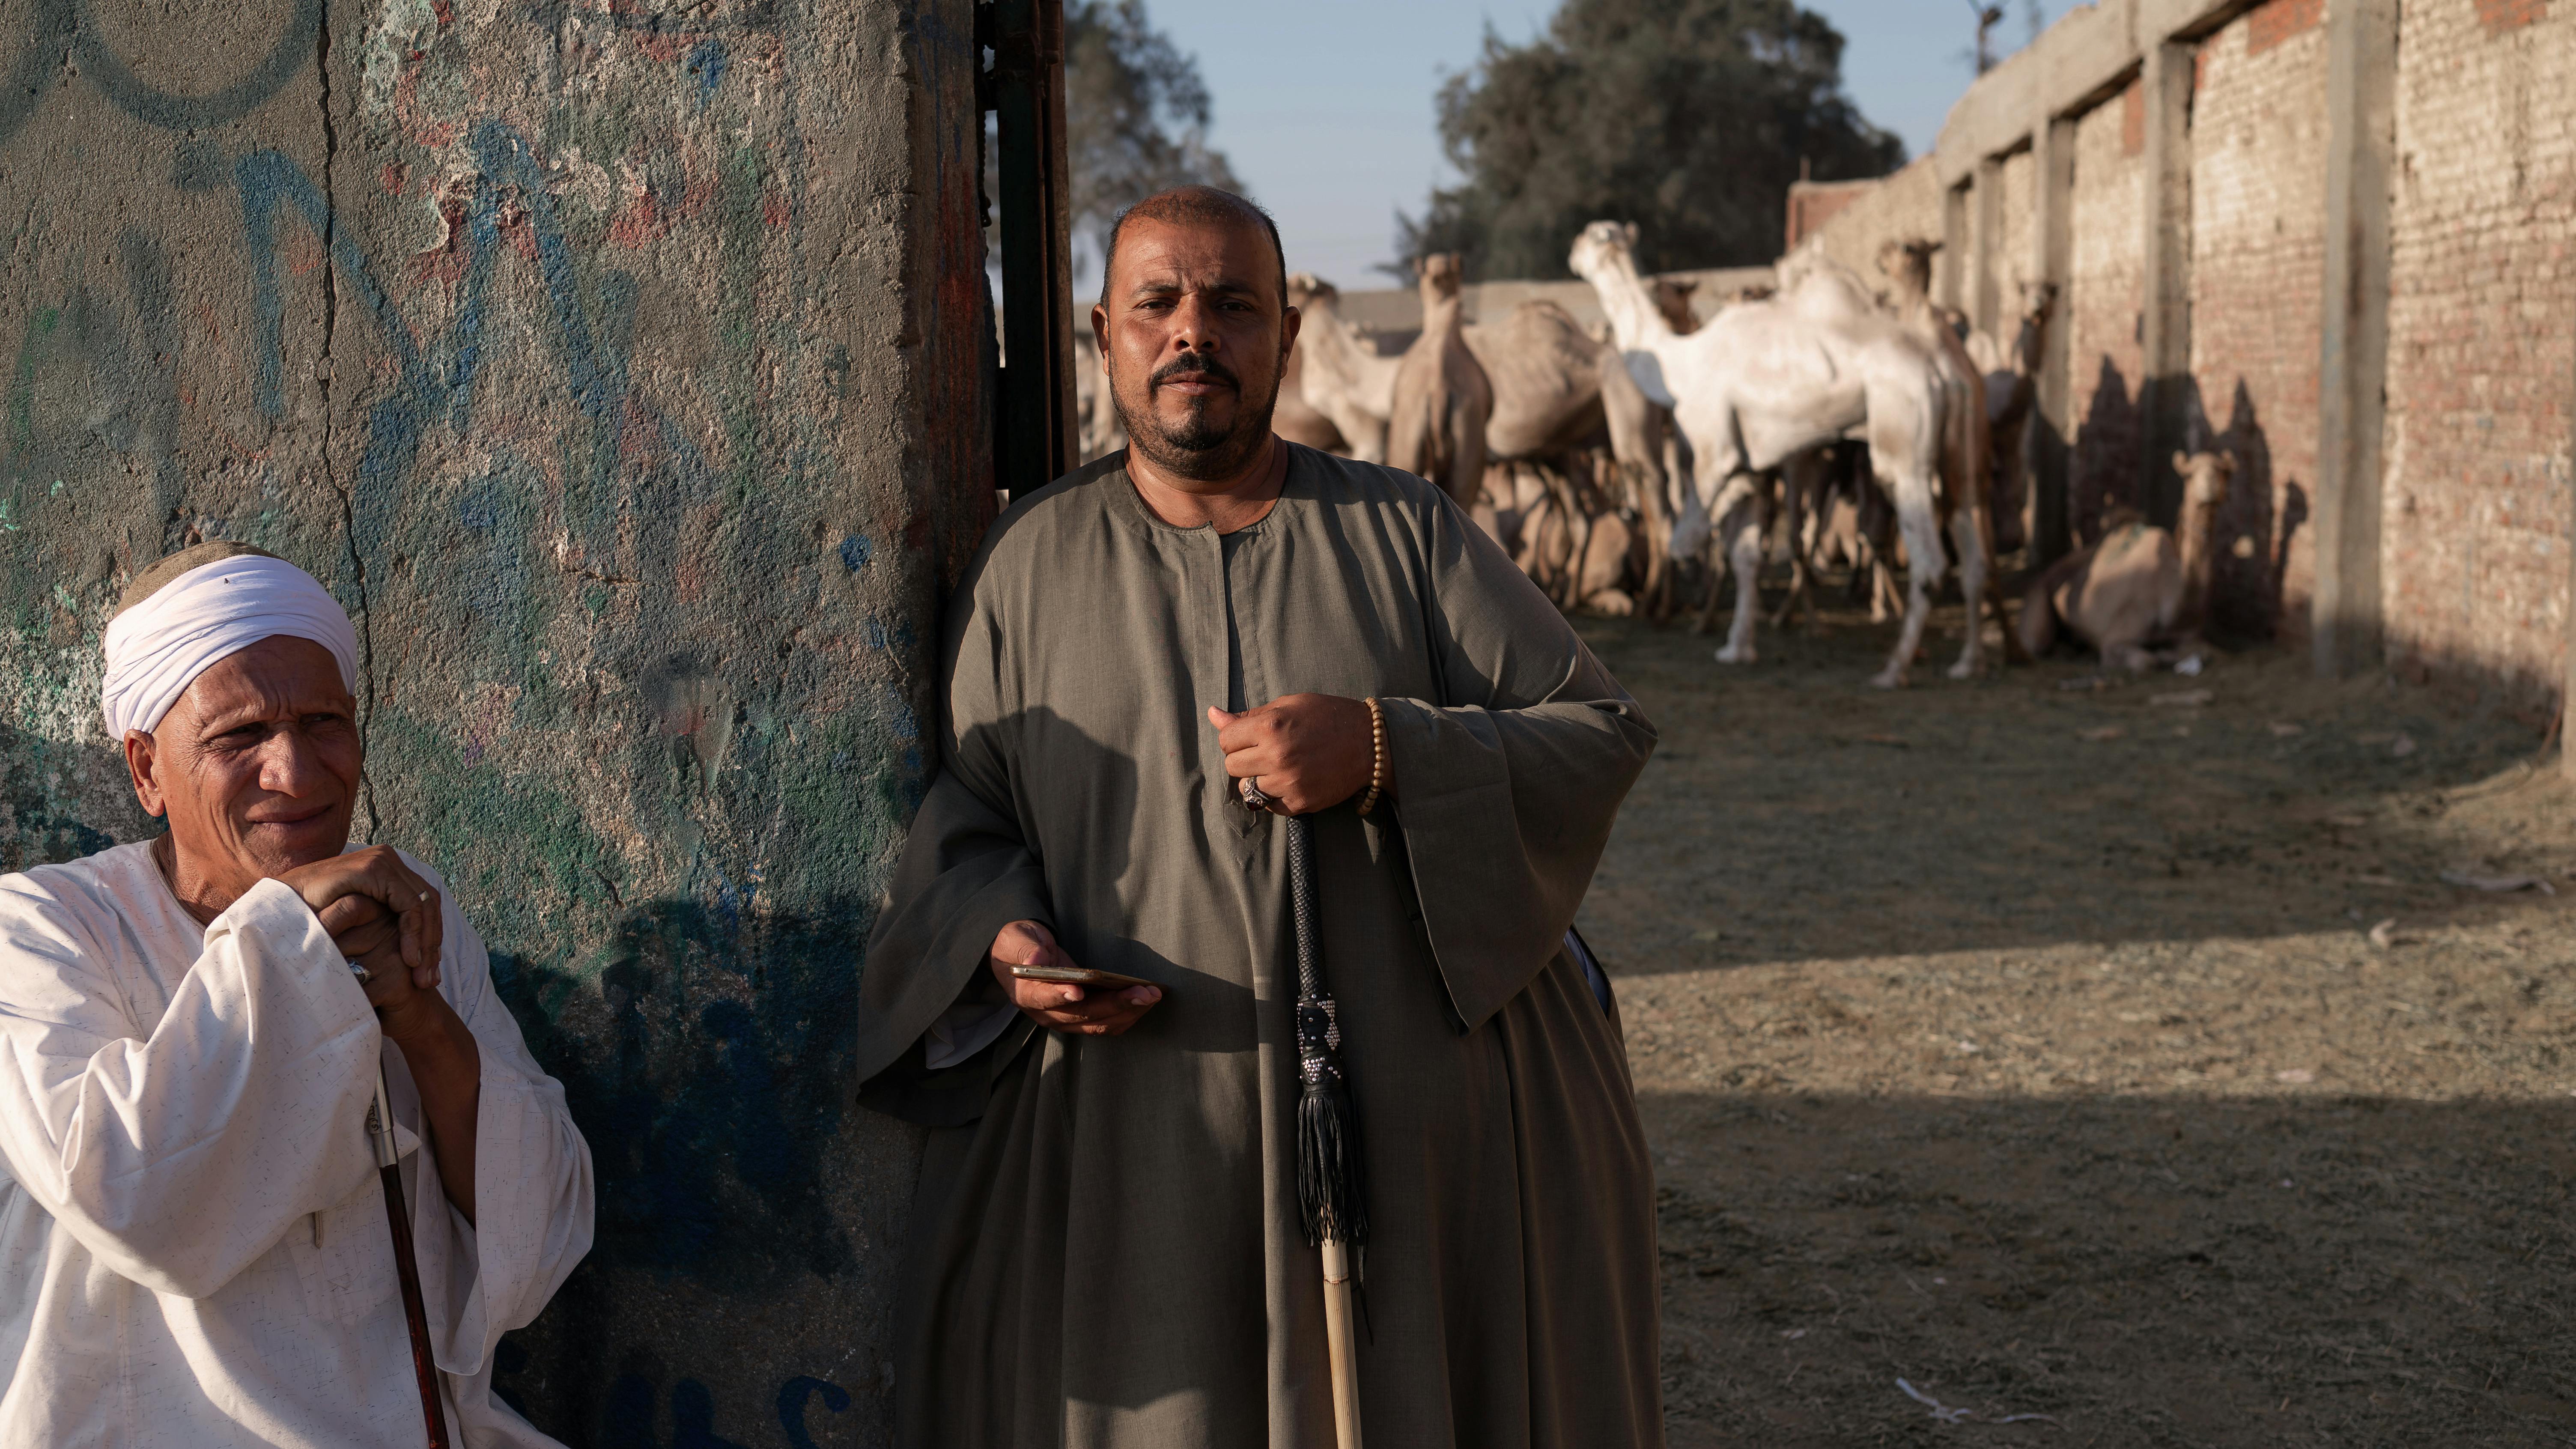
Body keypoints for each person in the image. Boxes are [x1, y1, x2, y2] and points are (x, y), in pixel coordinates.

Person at [858, 185, 1664, 1447]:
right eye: (1159, 305)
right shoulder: (1030, 562)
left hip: (1414, 1135)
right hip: (1141, 1137)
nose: (1196, 333)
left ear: (1285, 334)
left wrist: (1391, 744)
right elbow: (972, 817)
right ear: (1103, 334)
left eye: (1235, 305)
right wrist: (1007, 946)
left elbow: (1597, 734)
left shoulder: (1409, 533)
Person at [0, 542, 595, 1446]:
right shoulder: (42, 931)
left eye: (325, 721)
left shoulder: (410, 907)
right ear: (147, 771)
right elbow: (137, 1200)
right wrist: (290, 942)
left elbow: (541, 1233)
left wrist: (420, 1019)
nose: (300, 772)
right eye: (239, 737)